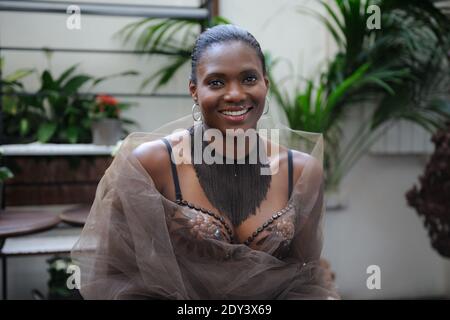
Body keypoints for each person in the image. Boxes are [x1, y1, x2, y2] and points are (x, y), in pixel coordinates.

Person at [71, 24, 339, 300]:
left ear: (265, 85)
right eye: (216, 82)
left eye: (248, 78)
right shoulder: (151, 164)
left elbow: (304, 274)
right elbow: (117, 275)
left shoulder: (302, 171)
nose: (235, 94)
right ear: (194, 90)